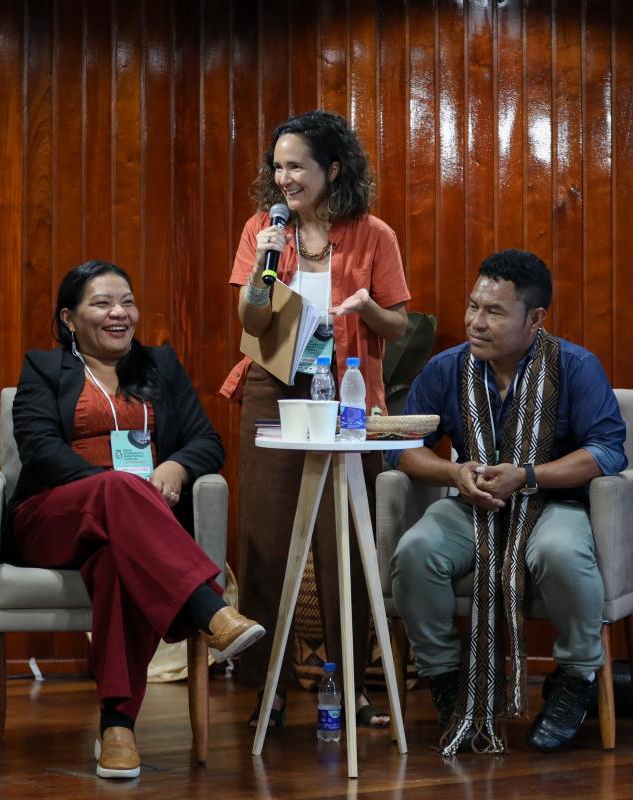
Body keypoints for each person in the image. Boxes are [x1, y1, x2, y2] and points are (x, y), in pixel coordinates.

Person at [8, 260, 265, 779]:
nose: (119, 313)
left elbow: (207, 442)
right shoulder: (43, 369)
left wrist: (174, 465)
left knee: (115, 562)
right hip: (56, 515)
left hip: (133, 531)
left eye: (126, 301)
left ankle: (117, 727)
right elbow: (38, 450)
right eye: (102, 304)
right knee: (119, 489)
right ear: (69, 318)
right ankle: (209, 610)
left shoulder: (160, 365)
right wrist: (114, 488)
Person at [388, 249, 627, 756]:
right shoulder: (446, 368)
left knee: (561, 553)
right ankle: (449, 681)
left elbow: (607, 451)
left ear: (535, 319)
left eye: (494, 312)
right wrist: (454, 471)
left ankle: (574, 680)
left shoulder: (576, 366)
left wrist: (528, 476)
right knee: (416, 550)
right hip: (472, 503)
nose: (476, 322)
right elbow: (401, 447)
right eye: (473, 306)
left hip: (551, 502)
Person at [219, 110, 411, 729]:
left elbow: (400, 327)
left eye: (296, 165)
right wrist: (263, 266)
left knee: (343, 542)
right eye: (277, 166)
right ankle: (266, 689)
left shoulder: (373, 234)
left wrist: (367, 307)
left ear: (332, 169)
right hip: (271, 387)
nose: (284, 178)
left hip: (348, 390)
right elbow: (251, 322)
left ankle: (350, 686)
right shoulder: (261, 229)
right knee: (265, 539)